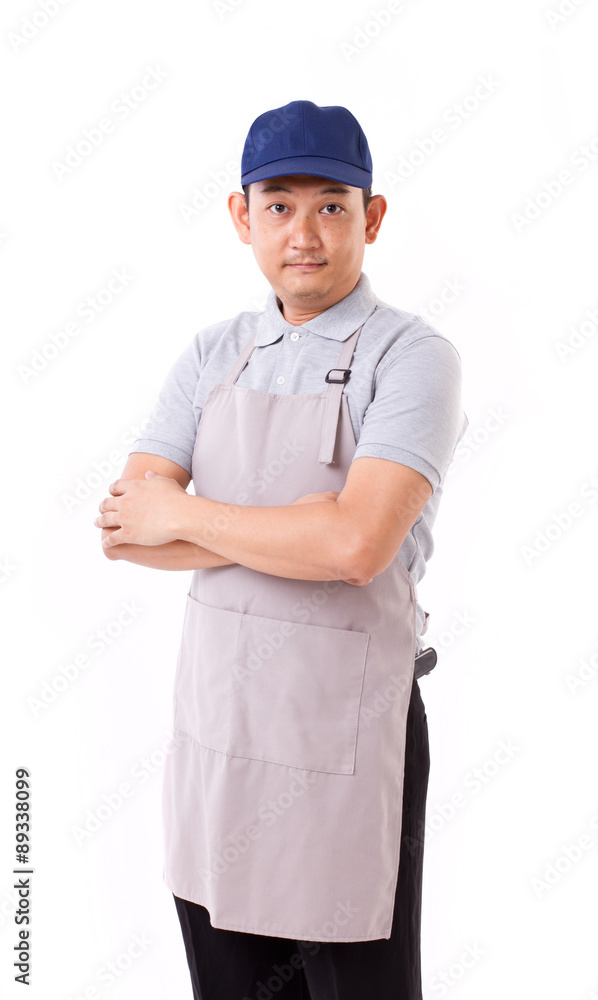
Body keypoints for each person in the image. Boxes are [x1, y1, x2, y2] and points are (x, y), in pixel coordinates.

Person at [94, 99, 468, 1000]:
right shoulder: (212, 352)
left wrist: (189, 515)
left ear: (372, 218)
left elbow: (357, 546)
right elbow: (124, 530)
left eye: (331, 205)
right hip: (220, 727)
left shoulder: (412, 357)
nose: (304, 233)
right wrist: (295, 525)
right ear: (242, 216)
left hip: (349, 731)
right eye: (279, 205)